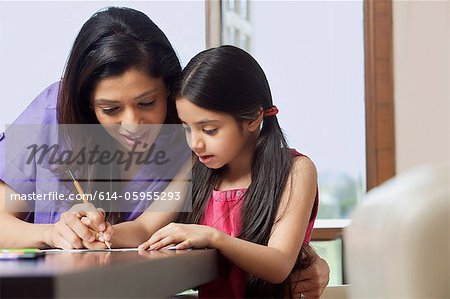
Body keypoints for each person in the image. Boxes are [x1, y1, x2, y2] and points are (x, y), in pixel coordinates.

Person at [0, 7, 329, 298]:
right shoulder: (54, 113)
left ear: (172, 93)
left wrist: (305, 259)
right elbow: (144, 228)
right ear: (85, 103)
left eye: (147, 103)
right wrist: (62, 233)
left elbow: (265, 236)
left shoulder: (198, 145)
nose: (132, 124)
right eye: (110, 108)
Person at [138, 45, 321, 298]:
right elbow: (144, 228)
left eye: (210, 130)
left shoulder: (296, 170)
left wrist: (213, 238)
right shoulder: (195, 167)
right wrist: (99, 229)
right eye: (187, 128)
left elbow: (278, 264)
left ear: (253, 118)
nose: (195, 144)